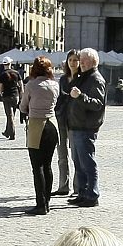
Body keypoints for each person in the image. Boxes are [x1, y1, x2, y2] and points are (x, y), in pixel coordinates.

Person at [65, 47, 107, 208]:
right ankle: (82, 192)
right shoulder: (83, 77)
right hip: (76, 126)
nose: (80, 62)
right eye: (80, 59)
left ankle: (92, 194)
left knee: (87, 162)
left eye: (84, 60)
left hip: (86, 127)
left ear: (93, 62)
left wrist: (80, 96)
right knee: (78, 162)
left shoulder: (95, 79)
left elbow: (97, 104)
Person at [19, 56, 61, 215]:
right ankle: (48, 201)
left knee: (38, 167)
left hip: (37, 125)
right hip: (52, 125)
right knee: (48, 164)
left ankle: (40, 204)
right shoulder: (55, 85)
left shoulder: (31, 85)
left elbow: (23, 106)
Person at [54, 52, 79, 196]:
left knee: (76, 154)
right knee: (62, 153)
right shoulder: (63, 79)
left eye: (75, 60)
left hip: (76, 120)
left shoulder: (82, 78)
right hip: (61, 118)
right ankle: (63, 186)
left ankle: (77, 187)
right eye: (70, 60)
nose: (73, 63)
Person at [0, 61, 23, 139]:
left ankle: (12, 133)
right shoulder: (16, 73)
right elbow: (21, 85)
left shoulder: (2, 74)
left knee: (9, 115)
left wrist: (1, 94)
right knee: (12, 114)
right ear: (10, 64)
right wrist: (21, 95)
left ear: (3, 65)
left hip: (6, 96)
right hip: (15, 96)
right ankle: (7, 132)